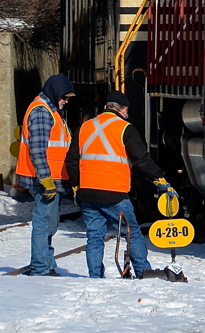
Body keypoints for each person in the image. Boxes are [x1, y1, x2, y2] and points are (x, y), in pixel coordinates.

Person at [67, 90, 178, 278]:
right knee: (132, 233)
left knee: (94, 236)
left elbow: (71, 161)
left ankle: (95, 277)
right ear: (123, 109)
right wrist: (160, 180)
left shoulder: (84, 127)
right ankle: (143, 272)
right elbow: (141, 160)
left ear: (105, 107)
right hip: (115, 194)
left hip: (88, 194)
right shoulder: (125, 128)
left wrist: (77, 187)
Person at [16, 74, 75, 277]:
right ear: (55, 92)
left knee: (50, 222)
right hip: (43, 179)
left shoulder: (50, 110)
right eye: (64, 97)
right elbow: (37, 150)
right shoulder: (42, 112)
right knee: (44, 222)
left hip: (49, 177)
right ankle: (41, 267)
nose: (66, 102)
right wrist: (46, 179)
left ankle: (46, 263)